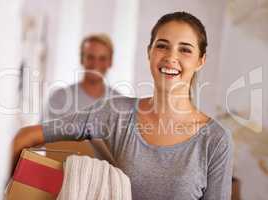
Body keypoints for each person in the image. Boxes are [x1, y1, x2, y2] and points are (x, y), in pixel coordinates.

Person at [12, 12, 233, 200]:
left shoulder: (215, 141)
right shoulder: (115, 113)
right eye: (162, 46)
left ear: (201, 60)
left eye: (185, 49)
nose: (170, 57)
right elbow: (25, 137)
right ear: (149, 53)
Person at [43, 34, 119, 162]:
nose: (96, 63)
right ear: (82, 59)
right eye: (90, 57)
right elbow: (50, 142)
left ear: (110, 62)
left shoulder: (120, 102)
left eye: (102, 58)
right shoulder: (60, 98)